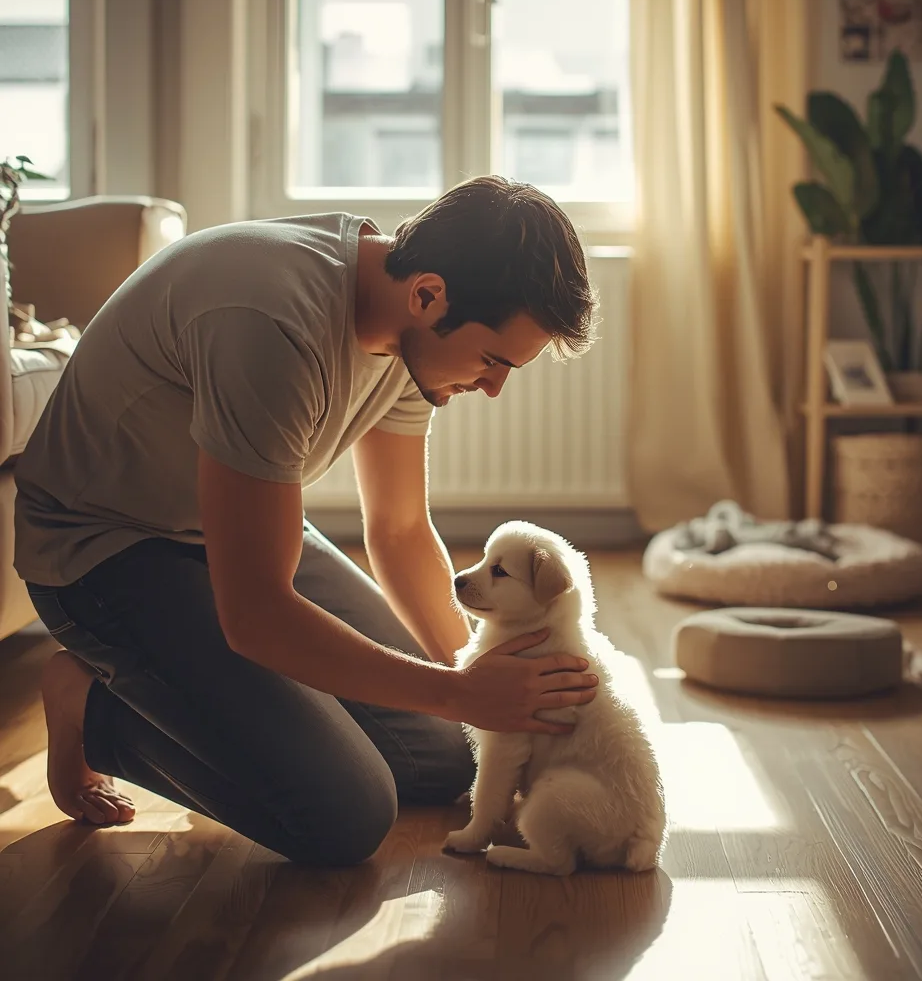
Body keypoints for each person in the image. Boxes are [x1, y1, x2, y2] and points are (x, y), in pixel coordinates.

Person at [14, 175, 600, 867]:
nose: (495, 388)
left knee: (448, 756)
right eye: (493, 360)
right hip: (102, 548)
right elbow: (257, 612)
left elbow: (402, 530)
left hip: (219, 524)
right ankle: (92, 709)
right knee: (343, 815)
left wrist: (474, 684)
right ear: (428, 295)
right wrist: (458, 691)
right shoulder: (272, 321)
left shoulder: (411, 336)